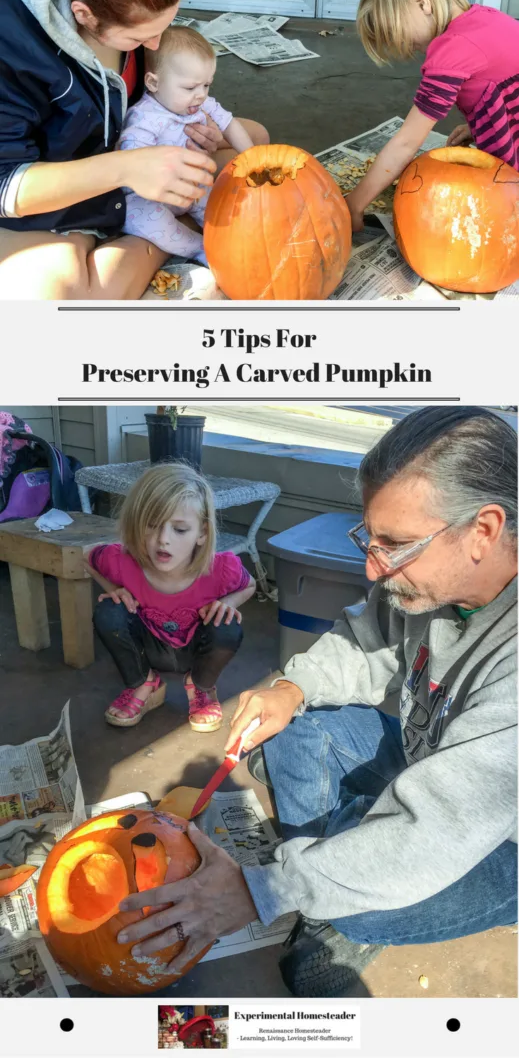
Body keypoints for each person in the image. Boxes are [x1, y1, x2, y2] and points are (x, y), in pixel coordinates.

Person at [113, 408, 517, 995]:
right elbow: (365, 642)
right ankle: (333, 865)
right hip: (429, 764)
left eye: (396, 546)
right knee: (298, 726)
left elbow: (442, 824)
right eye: (369, 538)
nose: (373, 568)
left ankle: (331, 892)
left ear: (483, 530)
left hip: (496, 838)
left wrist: (264, 890)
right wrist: (290, 689)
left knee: (363, 905)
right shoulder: (426, 585)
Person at [0, 0, 268, 300]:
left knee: (253, 140)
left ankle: (149, 234)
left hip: (138, 160)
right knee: (55, 296)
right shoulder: (9, 42)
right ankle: (158, 240)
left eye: (164, 26)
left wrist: (206, 136)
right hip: (61, 184)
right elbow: (6, 185)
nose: (156, 46)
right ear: (84, 15)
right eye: (139, 38)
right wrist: (127, 168)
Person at [346, 0, 519, 231]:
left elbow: (406, 142)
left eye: (397, 31)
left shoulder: (450, 51)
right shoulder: (488, 17)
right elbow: (507, 84)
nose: (402, 44)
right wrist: (485, 126)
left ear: (421, 3)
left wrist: (355, 203)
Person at [87, 464, 255, 731]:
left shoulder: (222, 569)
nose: (163, 540)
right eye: (151, 526)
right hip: (149, 648)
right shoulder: (121, 561)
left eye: (179, 530)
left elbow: (250, 585)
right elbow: (89, 559)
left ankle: (200, 685)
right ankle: (144, 683)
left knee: (227, 625)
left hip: (195, 651)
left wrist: (229, 603)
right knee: (109, 610)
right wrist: (113, 588)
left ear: (201, 533)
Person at [119, 27, 254, 266]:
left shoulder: (199, 103)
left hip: (192, 187)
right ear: (153, 83)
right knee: (150, 220)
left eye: (206, 85)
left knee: (219, 207)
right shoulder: (144, 117)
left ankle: (232, 235)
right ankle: (198, 248)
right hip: (152, 197)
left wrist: (253, 158)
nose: (201, 95)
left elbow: (229, 124)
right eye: (190, 88)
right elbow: (134, 162)